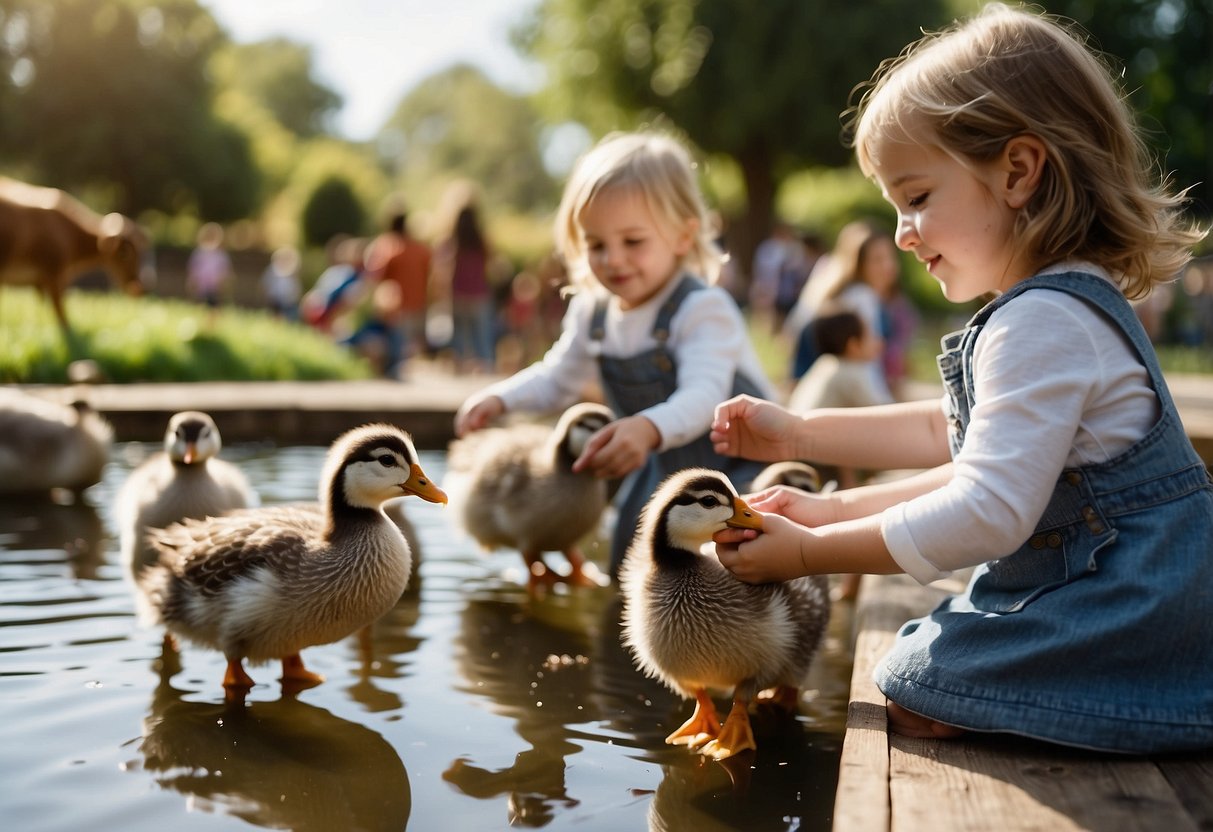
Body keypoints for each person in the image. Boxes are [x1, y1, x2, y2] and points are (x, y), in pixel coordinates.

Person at [709, 3, 1212, 754]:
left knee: (918, 677)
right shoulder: (1047, 309)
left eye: (915, 198)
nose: (901, 233)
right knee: (918, 657)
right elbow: (952, 438)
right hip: (1123, 596)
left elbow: (985, 510)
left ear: (1016, 171)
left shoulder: (1042, 320)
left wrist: (809, 552)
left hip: (1134, 607)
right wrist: (811, 459)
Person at [454, 130, 776, 577]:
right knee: (630, 563)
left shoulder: (702, 308)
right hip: (662, 470)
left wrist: (646, 428)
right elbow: (558, 377)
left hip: (738, 469)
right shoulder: (594, 311)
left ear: (682, 236)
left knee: (745, 557)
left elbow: (705, 397)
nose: (613, 260)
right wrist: (502, 399)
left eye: (633, 241)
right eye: (596, 245)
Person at [784, 219, 900, 396]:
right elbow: (865, 368)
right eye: (877, 259)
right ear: (858, 263)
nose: (888, 266)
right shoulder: (861, 299)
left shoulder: (831, 288)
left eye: (890, 257)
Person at [433, 193, 495, 374]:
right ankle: (485, 369)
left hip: (458, 292)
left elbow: (441, 268)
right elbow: (492, 264)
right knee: (481, 334)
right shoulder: (482, 240)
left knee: (460, 333)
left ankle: (460, 367)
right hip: (479, 293)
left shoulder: (450, 241)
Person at [364, 208, 433, 366]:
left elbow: (375, 274)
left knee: (399, 340)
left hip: (396, 303)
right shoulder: (420, 249)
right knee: (410, 340)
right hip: (417, 300)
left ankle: (396, 365)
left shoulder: (388, 246)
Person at [186, 222, 232, 323]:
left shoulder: (220, 255)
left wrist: (223, 282)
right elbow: (193, 268)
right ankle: (201, 324)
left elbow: (224, 270)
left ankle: (211, 325)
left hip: (214, 285)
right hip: (201, 285)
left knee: (214, 306)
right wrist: (192, 281)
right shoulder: (199, 253)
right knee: (201, 305)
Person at [261, 245, 301, 320]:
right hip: (275, 298)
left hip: (289, 300)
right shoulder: (273, 270)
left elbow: (295, 288)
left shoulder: (293, 272)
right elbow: (266, 283)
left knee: (288, 316)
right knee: (275, 315)